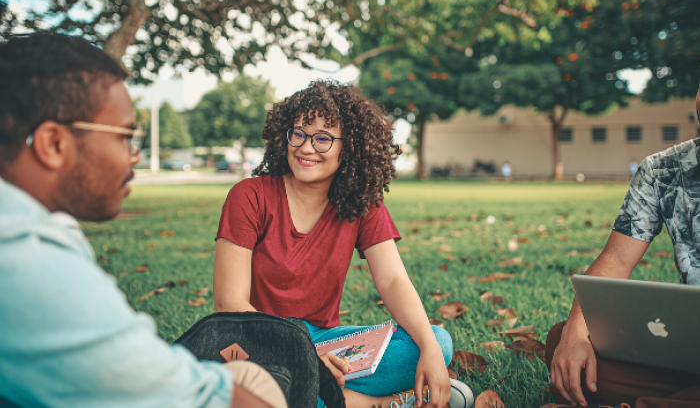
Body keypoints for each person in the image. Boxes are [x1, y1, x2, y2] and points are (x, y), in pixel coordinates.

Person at [0, 33, 286, 408]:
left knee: (247, 375)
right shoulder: (28, 262)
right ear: (54, 144)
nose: (134, 156)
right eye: (125, 137)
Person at [212, 80, 474, 408]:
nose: (307, 148)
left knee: (435, 340)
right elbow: (229, 305)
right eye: (300, 133)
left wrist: (432, 354)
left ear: (347, 147)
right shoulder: (249, 196)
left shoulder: (362, 203)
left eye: (323, 138)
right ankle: (378, 404)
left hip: (323, 343)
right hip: (257, 344)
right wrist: (303, 360)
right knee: (251, 387)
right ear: (285, 136)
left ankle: (318, 394)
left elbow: (392, 280)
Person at [546, 89, 700, 408]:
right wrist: (576, 332)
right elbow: (615, 260)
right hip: (691, 347)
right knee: (565, 346)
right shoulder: (662, 170)